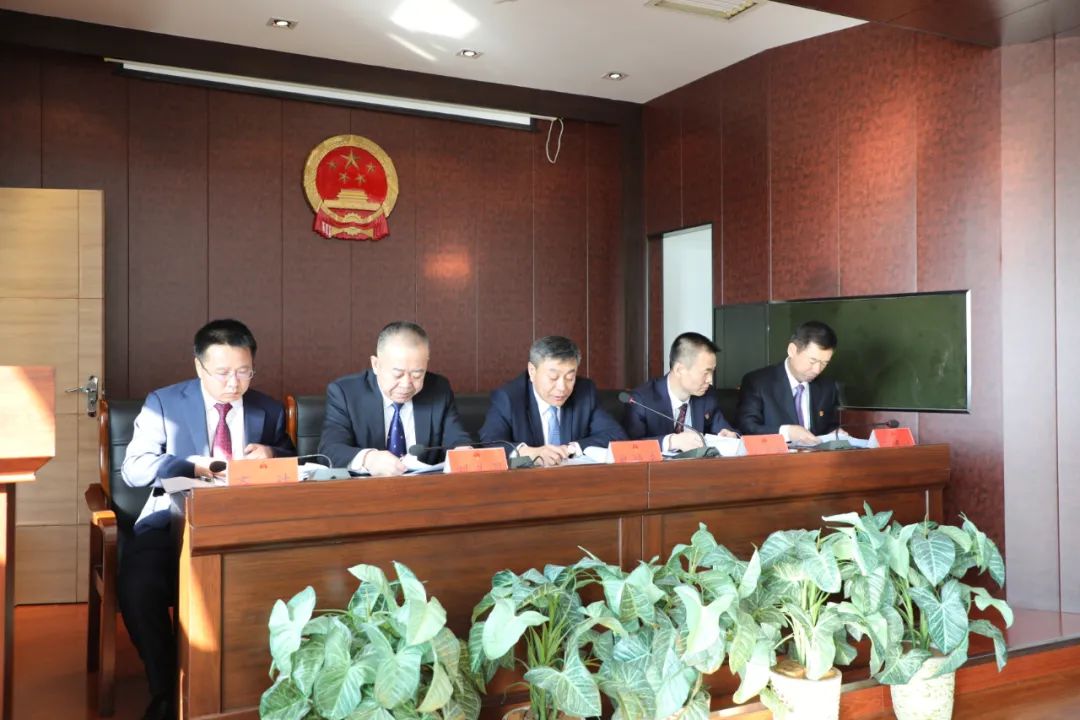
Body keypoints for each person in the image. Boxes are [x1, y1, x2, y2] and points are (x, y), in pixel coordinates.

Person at [120, 319, 294, 720]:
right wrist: (187, 465)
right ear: (199, 367)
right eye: (222, 372)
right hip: (171, 517)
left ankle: (249, 686)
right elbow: (134, 470)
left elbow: (292, 461)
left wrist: (271, 454)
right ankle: (166, 690)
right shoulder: (164, 402)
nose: (234, 383)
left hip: (244, 521)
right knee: (139, 586)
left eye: (244, 371)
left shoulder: (267, 408)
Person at [318, 321, 472, 474]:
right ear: (375, 365)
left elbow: (458, 439)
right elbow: (329, 450)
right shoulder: (346, 393)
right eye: (397, 374)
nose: (406, 384)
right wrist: (368, 459)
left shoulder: (438, 389)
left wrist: (464, 452)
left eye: (417, 375)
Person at [480, 335, 627, 466]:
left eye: (570, 378)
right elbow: (490, 443)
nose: (562, 388)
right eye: (553, 377)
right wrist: (531, 453)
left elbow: (616, 436)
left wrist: (571, 449)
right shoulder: (509, 397)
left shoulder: (584, 392)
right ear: (532, 371)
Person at [624, 331, 738, 450]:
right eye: (705, 373)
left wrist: (732, 437)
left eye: (712, 372)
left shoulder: (707, 395)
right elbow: (629, 446)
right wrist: (670, 442)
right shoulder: (641, 399)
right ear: (679, 370)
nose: (710, 380)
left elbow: (726, 430)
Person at [735, 320, 840, 444]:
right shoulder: (758, 382)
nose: (817, 370)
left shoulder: (827, 387)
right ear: (792, 350)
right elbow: (747, 428)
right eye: (812, 361)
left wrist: (836, 434)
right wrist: (787, 432)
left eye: (824, 363)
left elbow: (828, 427)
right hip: (776, 455)